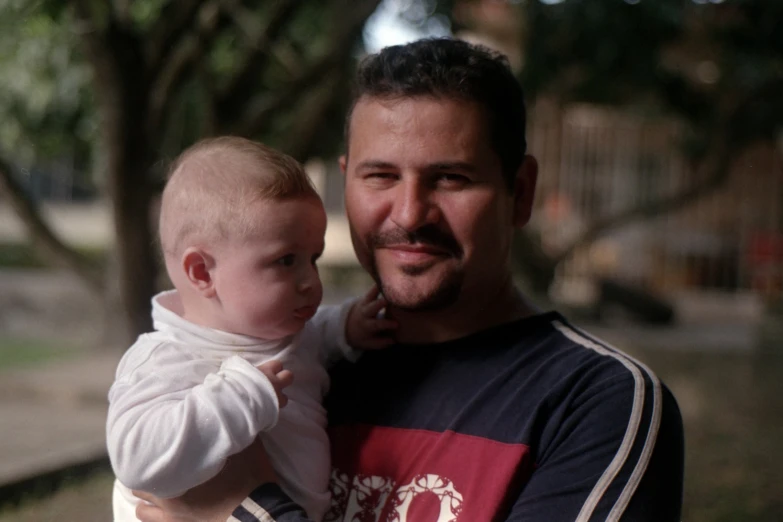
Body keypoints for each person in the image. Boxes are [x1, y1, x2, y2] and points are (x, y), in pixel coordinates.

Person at [135, 38, 684, 522]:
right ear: (347, 183)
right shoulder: (306, 358)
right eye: (381, 176)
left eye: (451, 177)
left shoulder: (595, 404)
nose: (409, 213)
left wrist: (238, 509)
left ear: (520, 192)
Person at [107, 137, 395, 522]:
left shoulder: (285, 332)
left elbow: (314, 335)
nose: (310, 280)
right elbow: (135, 459)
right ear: (202, 272)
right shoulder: (167, 359)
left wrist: (345, 326)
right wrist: (236, 398)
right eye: (286, 260)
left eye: (314, 258)